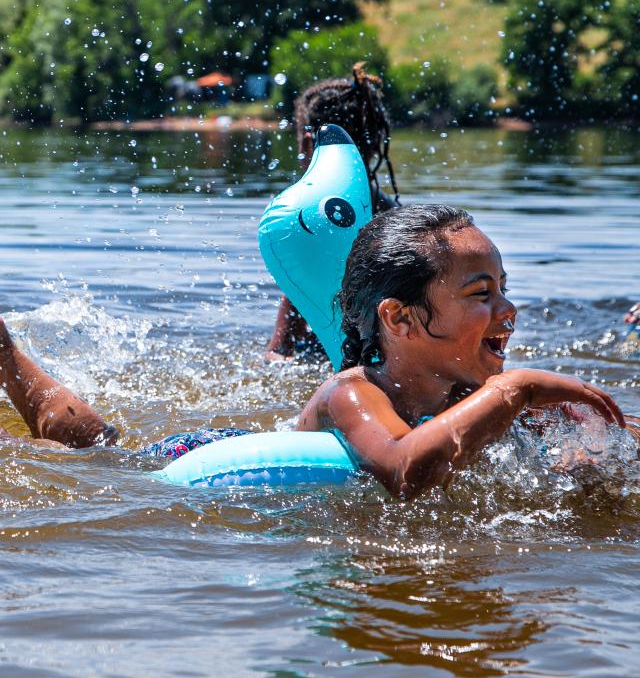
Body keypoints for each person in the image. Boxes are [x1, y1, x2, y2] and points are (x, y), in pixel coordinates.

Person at [0, 205, 634, 499]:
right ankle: (6, 354)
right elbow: (406, 472)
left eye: (504, 289)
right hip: (204, 455)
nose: (508, 311)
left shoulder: (471, 392)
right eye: (480, 293)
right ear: (401, 318)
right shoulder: (354, 392)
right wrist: (516, 389)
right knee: (103, 453)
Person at [265, 62, 400, 360]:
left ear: (311, 142)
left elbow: (281, 349)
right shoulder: (395, 218)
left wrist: (274, 354)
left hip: (333, 361)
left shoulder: (318, 218)